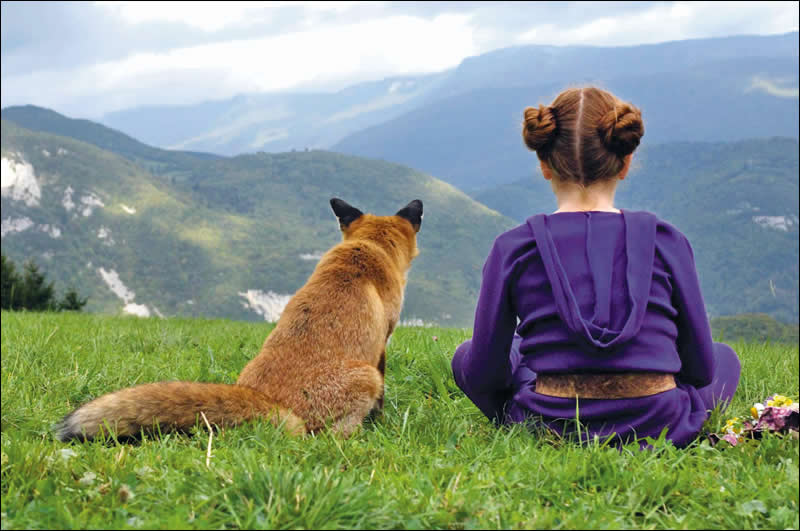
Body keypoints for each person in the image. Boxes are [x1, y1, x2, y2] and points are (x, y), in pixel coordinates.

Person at [450, 86, 741, 448]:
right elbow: (700, 368)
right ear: (625, 163)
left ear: (544, 164)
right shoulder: (667, 241)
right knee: (724, 356)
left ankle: (523, 423)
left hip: (547, 418)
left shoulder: (513, 248)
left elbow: (484, 374)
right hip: (661, 421)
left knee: (469, 353)